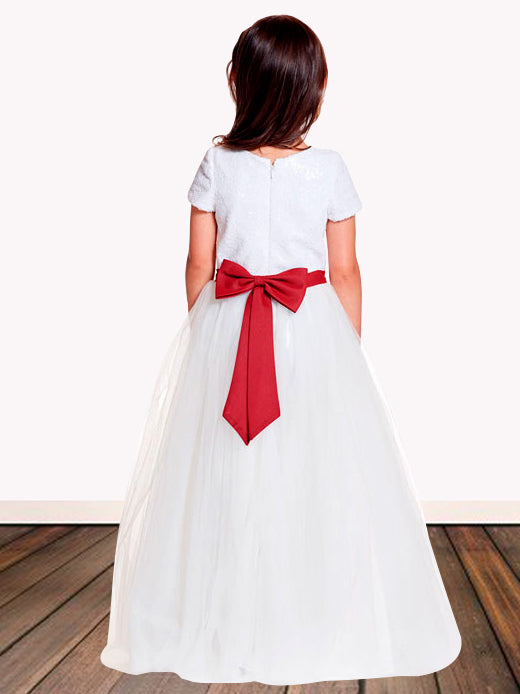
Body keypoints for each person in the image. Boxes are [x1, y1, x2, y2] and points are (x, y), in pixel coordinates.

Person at [100, 14, 461, 685]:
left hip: (231, 324)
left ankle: (226, 610)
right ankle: (310, 608)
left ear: (238, 83)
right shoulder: (329, 169)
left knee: (227, 472)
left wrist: (205, 334)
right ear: (313, 90)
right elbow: (345, 270)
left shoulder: (216, 163)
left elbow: (199, 263)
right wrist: (345, 351)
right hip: (309, 327)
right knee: (311, 468)